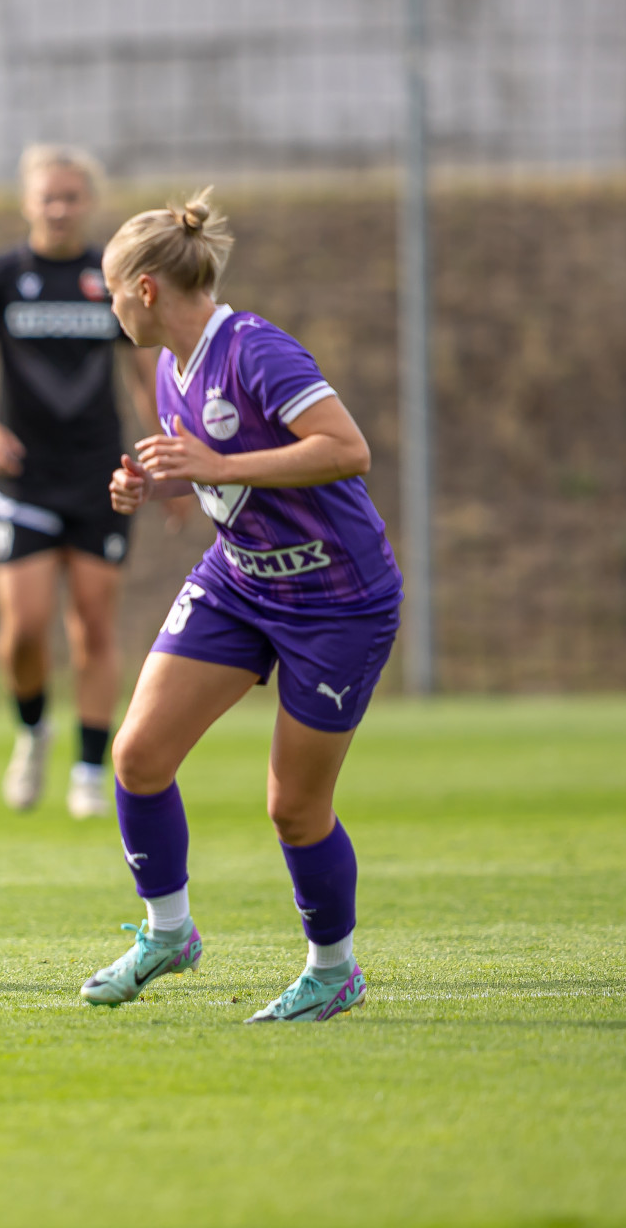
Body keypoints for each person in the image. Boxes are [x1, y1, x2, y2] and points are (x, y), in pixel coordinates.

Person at [82, 190, 401, 1022]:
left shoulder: (255, 350)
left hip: (337, 598)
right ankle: (168, 933)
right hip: (241, 582)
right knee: (137, 756)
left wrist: (215, 467)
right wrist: (153, 484)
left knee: (294, 808)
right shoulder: (168, 366)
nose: (112, 309)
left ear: (145, 289)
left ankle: (333, 972)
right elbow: (215, 477)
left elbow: (347, 449)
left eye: (113, 292)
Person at [0, 144, 164, 819]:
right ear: (28, 201)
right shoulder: (0, 276)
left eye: (72, 197)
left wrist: (168, 455)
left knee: (95, 625)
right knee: (24, 629)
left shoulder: (112, 274)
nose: (60, 208)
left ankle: (90, 773)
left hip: (100, 475)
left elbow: (144, 372)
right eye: (49, 197)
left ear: (89, 202)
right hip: (24, 478)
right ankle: (33, 730)